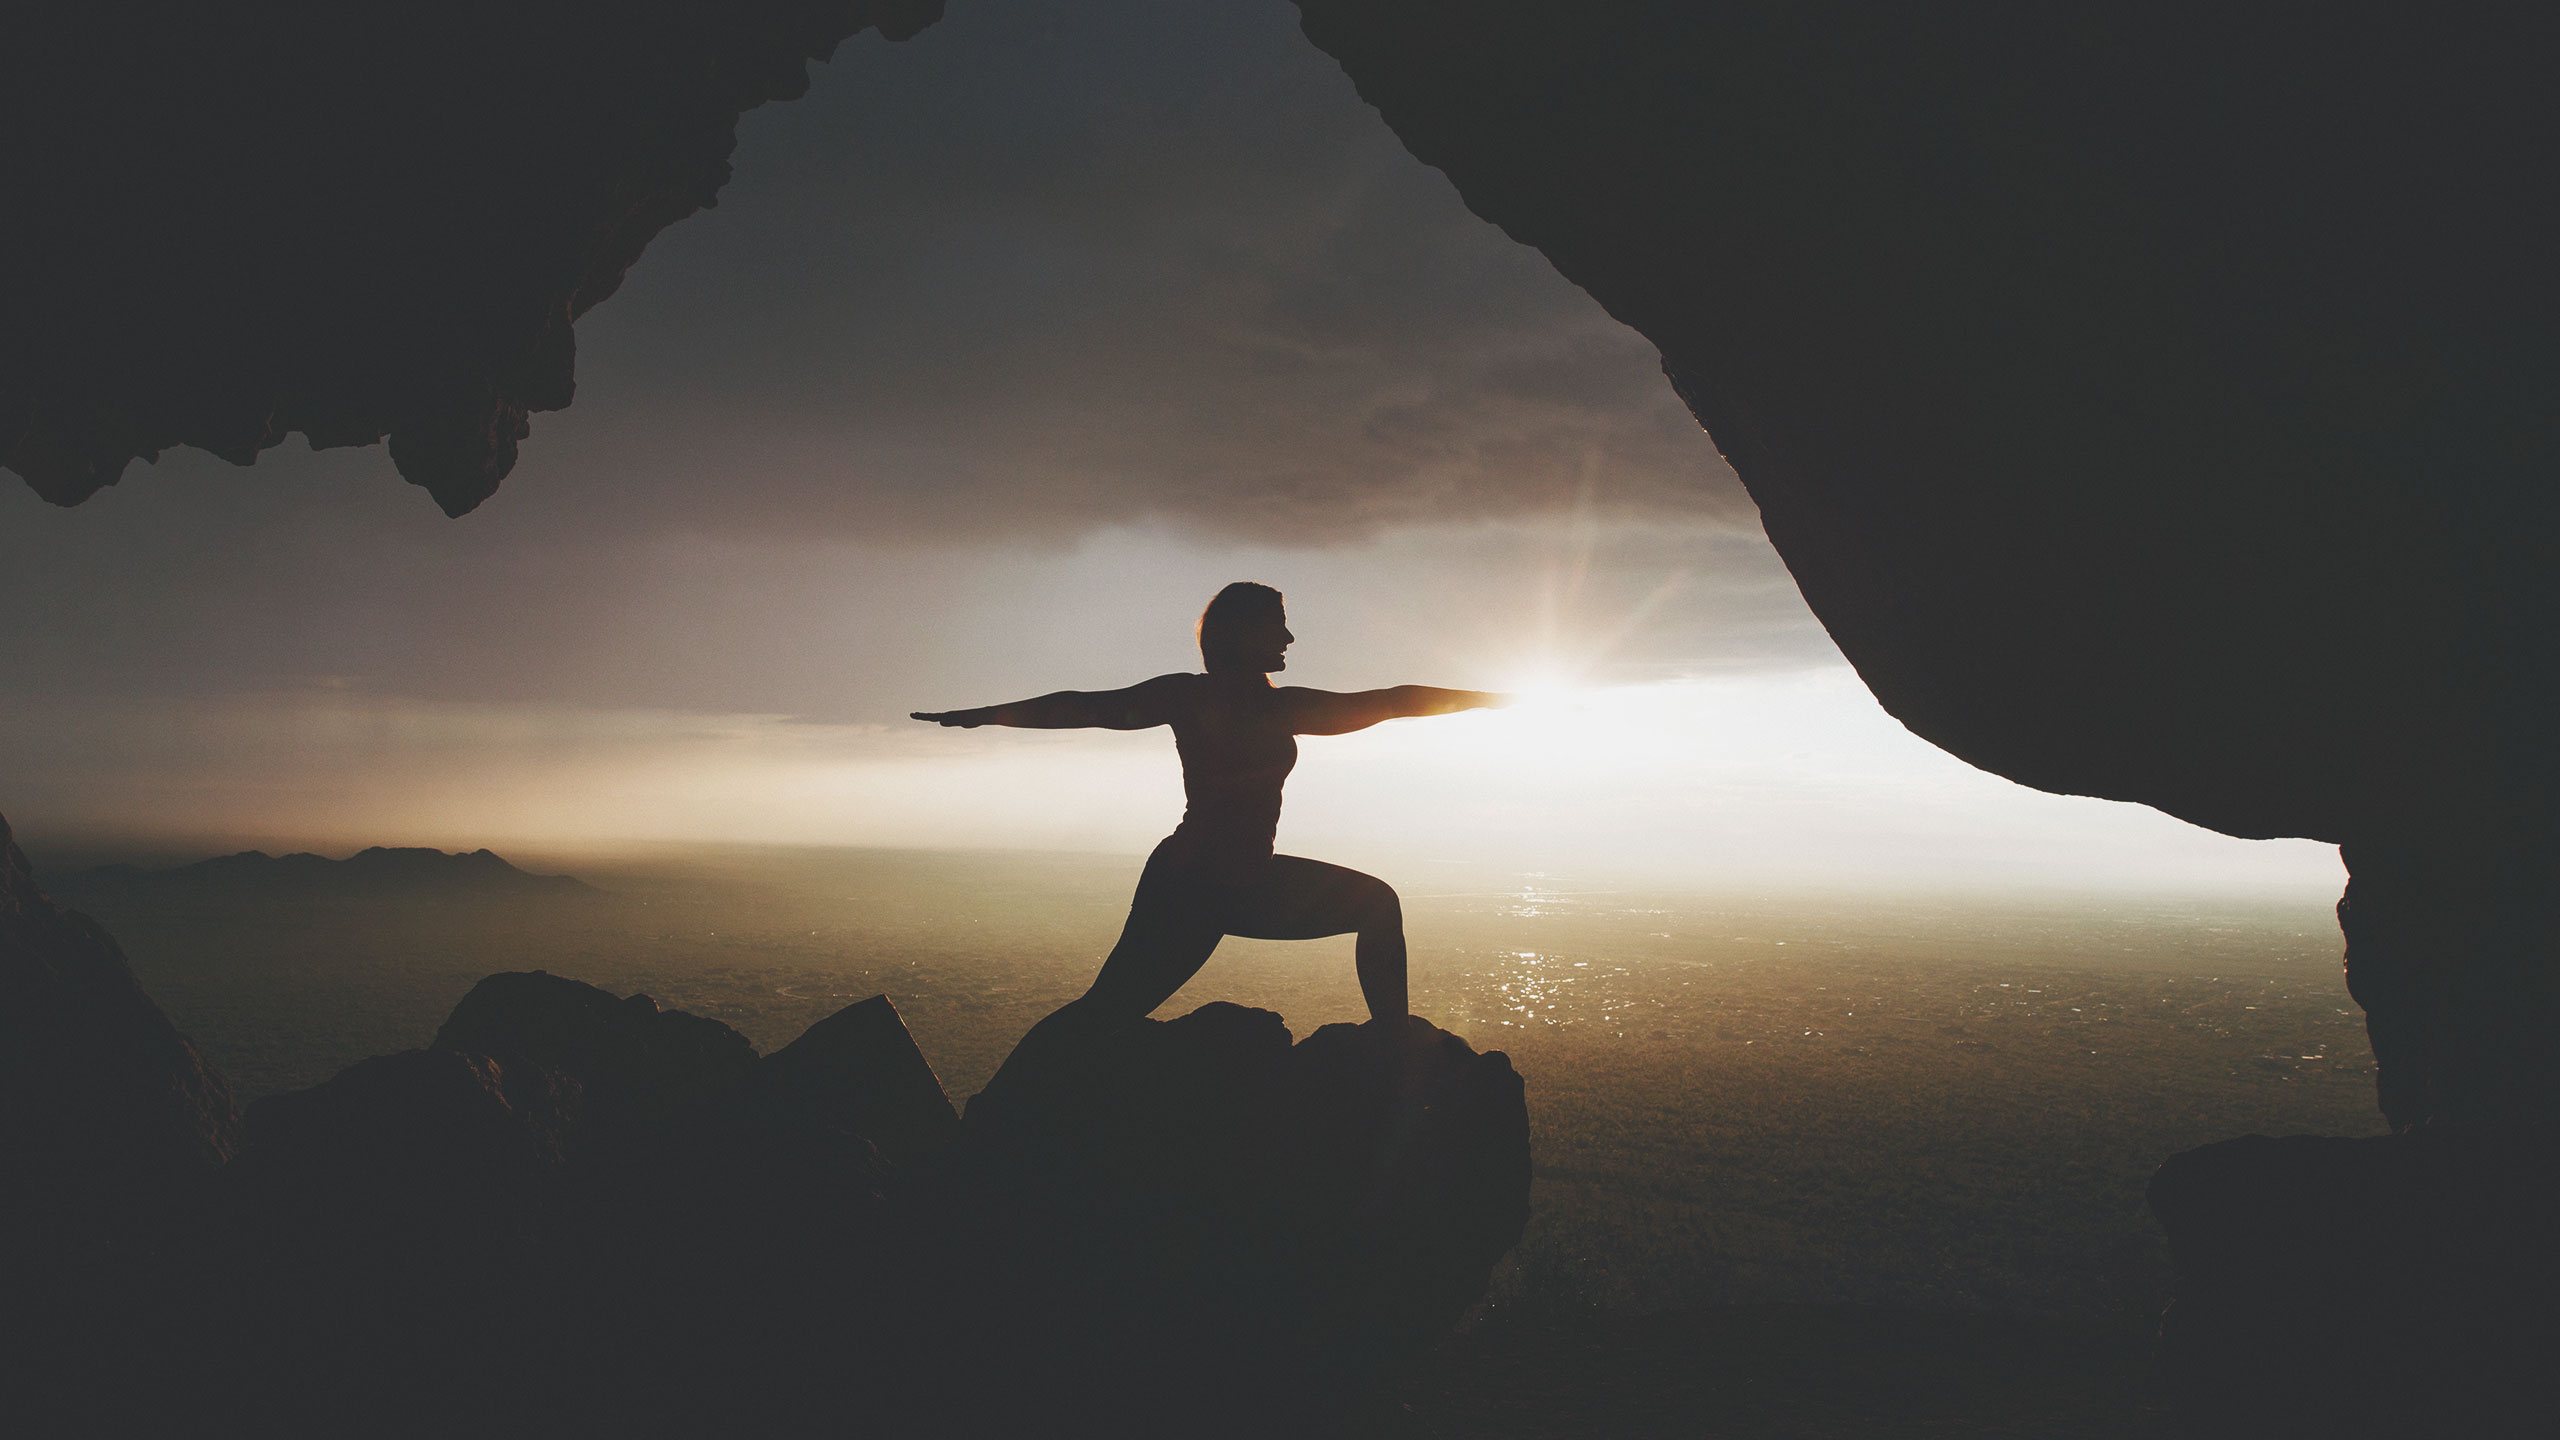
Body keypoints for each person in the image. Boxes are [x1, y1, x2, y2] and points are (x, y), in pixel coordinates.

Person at [912, 582, 1505, 1026]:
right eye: (1278, 625)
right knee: (1109, 1009)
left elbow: (1392, 701)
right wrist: (984, 715)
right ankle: (1393, 1046)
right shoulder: (1197, 697)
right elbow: (1083, 706)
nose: (1290, 639)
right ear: (1242, 633)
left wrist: (1486, 698)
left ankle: (1390, 1043)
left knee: (1111, 1007)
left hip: (1233, 880)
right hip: (1194, 884)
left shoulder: (1278, 706)